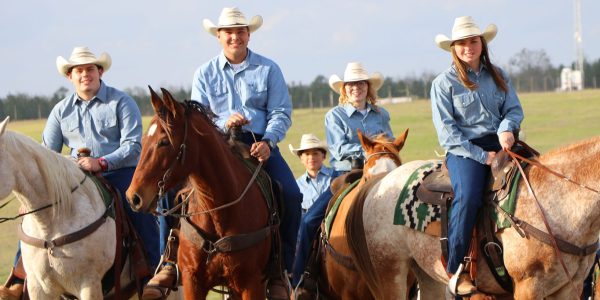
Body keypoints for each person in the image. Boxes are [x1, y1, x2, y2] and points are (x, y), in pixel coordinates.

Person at [0, 47, 161, 300]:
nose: (85, 74)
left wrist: (102, 163)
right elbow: (45, 154)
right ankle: (18, 278)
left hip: (117, 171)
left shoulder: (121, 102)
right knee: (33, 219)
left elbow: (132, 146)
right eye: (78, 71)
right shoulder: (60, 110)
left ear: (100, 71)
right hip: (73, 176)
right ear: (70, 76)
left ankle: (150, 273)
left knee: (137, 206)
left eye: (89, 69)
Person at [188, 7, 302, 299]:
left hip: (258, 145)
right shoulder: (204, 73)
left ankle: (281, 269)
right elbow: (199, 118)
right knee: (173, 194)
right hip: (217, 148)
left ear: (248, 35)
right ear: (218, 36)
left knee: (290, 194)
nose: (235, 37)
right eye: (228, 32)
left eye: (240, 31)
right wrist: (223, 122)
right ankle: (167, 263)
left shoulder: (268, 69)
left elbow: (280, 112)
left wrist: (269, 141)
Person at [431, 16, 524, 297]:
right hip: (465, 149)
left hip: (502, 142)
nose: (468, 47)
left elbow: (514, 109)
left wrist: (507, 129)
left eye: (473, 41)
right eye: (461, 43)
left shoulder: (498, 75)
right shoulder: (443, 83)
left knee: (539, 180)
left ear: (481, 44)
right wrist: (482, 156)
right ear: (454, 48)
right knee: (469, 196)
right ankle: (455, 268)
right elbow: (448, 133)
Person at [292, 62, 393, 286]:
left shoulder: (381, 114)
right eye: (350, 85)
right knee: (308, 221)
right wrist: (371, 150)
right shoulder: (335, 116)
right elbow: (338, 149)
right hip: (348, 174)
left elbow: (390, 143)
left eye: (360, 83)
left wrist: (380, 152)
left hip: (379, 174)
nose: (355, 88)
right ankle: (301, 278)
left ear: (368, 87)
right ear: (344, 89)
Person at [288, 134, 335, 214]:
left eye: (315, 153)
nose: (311, 157)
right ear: (301, 158)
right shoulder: (297, 186)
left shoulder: (335, 176)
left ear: (323, 156)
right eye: (307, 154)